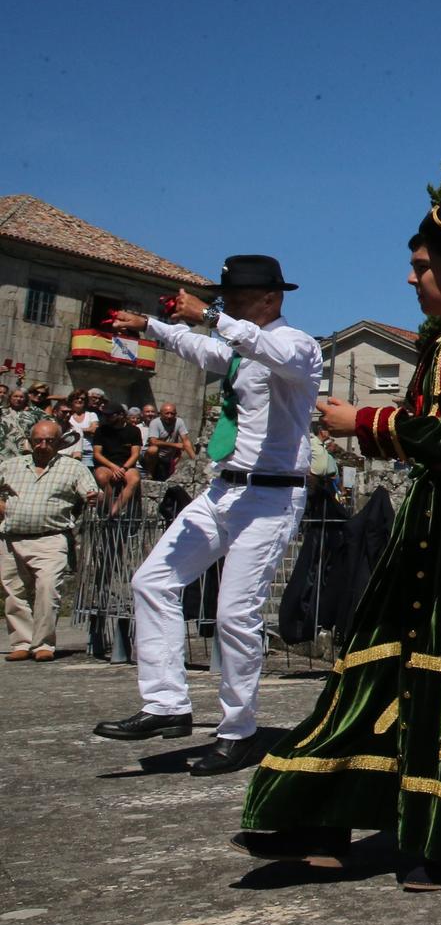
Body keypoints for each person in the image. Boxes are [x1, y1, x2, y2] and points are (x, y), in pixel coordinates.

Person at [235, 202, 441, 890]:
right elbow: (431, 428)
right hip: (432, 527)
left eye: (422, 267)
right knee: (371, 667)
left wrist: (367, 421)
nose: (411, 279)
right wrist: (373, 427)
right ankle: (319, 816)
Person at [94, 257, 322, 776]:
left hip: (270, 497)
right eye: (227, 298)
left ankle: (238, 731)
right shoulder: (241, 349)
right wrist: (150, 326)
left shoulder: (297, 346)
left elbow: (258, 346)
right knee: (152, 580)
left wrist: (214, 315)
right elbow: (204, 349)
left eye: (238, 298)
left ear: (270, 299)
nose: (231, 304)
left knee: (236, 613)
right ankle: (166, 706)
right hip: (225, 491)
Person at [1, 418, 99, 660]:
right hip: (12, 538)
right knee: (14, 593)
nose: (42, 445)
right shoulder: (11, 465)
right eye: (38, 440)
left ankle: (43, 643)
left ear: (59, 443)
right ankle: (21, 643)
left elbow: (90, 492)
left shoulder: (73, 467)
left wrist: (92, 497)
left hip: (51, 537)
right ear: (30, 441)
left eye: (49, 441)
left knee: (47, 590)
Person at [90, 403, 144, 515]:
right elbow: (97, 453)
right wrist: (113, 467)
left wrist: (123, 468)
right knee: (101, 476)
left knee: (134, 479)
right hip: (107, 464)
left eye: (110, 415)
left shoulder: (134, 431)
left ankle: (115, 511)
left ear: (121, 415)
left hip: (126, 465)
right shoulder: (101, 430)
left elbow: (135, 454)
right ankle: (109, 507)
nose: (107, 418)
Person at [142, 402, 197, 480]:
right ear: (161, 414)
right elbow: (153, 442)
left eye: (172, 414)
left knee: (189, 448)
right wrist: (174, 445)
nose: (169, 416)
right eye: (167, 413)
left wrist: (194, 459)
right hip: (151, 457)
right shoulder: (155, 423)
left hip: (166, 457)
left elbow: (185, 440)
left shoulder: (179, 422)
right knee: (153, 449)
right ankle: (149, 473)